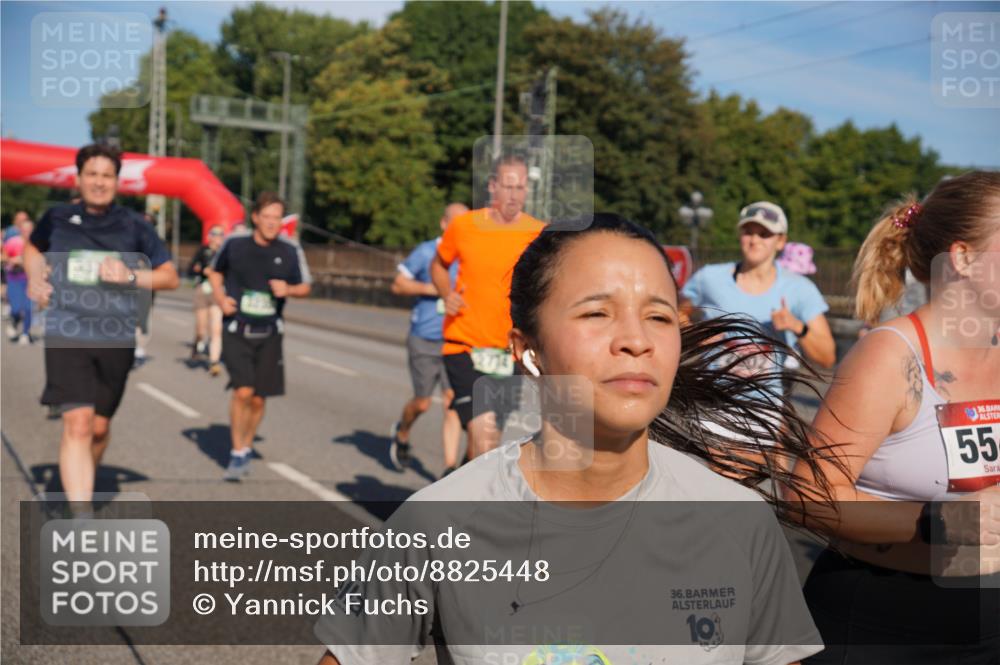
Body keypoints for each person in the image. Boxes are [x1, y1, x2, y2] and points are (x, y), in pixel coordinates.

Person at [317, 214, 842, 665]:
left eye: (659, 316)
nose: (636, 340)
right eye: (597, 312)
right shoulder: (437, 522)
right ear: (528, 349)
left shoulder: (741, 521)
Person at [789, 171, 1000, 664]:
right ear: (964, 258)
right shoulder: (890, 356)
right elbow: (804, 498)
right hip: (883, 625)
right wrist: (936, 522)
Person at [23, 143, 179, 513]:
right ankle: (81, 517)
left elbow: (170, 277)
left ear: (117, 181)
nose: (98, 182)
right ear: (78, 179)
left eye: (106, 175)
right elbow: (33, 249)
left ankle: (80, 479)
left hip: (116, 336)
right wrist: (35, 276)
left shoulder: (134, 226)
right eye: (91, 174)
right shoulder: (58, 217)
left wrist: (130, 276)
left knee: (98, 429)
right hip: (67, 331)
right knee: (76, 423)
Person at [430, 154, 545, 461]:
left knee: (485, 445)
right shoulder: (465, 226)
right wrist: (447, 293)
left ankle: (457, 491)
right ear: (493, 186)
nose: (514, 194)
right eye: (508, 186)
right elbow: (439, 265)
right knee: (483, 431)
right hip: (464, 345)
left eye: (521, 187)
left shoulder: (538, 234)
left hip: (510, 354)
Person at [206, 192, 311, 482]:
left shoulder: (289, 250)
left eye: (277, 218)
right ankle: (237, 450)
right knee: (243, 391)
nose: (271, 223)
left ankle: (247, 444)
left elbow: (305, 286)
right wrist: (220, 297)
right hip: (237, 329)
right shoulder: (235, 244)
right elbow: (214, 272)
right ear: (255, 217)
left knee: (259, 400)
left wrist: (288, 290)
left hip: (270, 333)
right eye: (266, 217)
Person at [681, 201, 836, 375]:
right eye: (748, 232)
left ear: (780, 241)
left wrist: (796, 326)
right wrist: (696, 335)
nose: (754, 240)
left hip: (767, 401)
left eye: (764, 234)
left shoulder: (800, 288)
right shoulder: (709, 278)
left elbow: (827, 358)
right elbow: (676, 314)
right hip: (714, 399)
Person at [388, 203, 466, 475]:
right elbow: (398, 284)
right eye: (457, 224)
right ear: (444, 225)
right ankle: (402, 431)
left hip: (456, 339)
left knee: (451, 401)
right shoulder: (427, 252)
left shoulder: (471, 255)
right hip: (425, 337)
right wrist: (433, 288)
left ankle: (448, 467)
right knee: (422, 402)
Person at [187, 224, 226, 376]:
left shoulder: (225, 253)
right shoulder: (203, 251)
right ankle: (197, 343)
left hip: (218, 293)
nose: (218, 238)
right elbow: (190, 269)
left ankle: (214, 362)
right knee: (201, 329)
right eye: (215, 234)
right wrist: (203, 270)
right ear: (210, 237)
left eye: (221, 235)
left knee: (216, 329)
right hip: (203, 290)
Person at [3, 215, 34, 344]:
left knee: (28, 308)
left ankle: (25, 333)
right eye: (25, 230)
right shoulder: (13, 242)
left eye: (30, 230)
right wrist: (12, 260)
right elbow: (3, 257)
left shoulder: (38, 243)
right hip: (15, 278)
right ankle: (14, 322)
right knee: (16, 308)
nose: (28, 233)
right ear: (20, 230)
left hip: (31, 280)